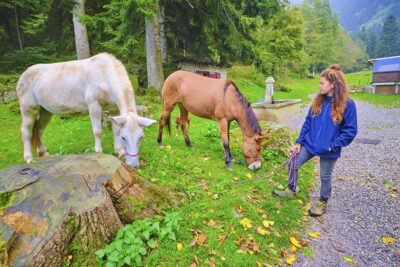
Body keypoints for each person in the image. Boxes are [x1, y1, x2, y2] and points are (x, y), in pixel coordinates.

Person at [273, 64, 358, 217]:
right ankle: (291, 189)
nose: (319, 86)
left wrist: (333, 145)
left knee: (325, 176)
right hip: (310, 144)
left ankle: (322, 202)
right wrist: (299, 142)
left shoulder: (348, 105)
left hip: (329, 149)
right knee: (293, 162)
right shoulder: (318, 101)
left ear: (332, 85)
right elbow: (307, 122)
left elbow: (350, 130)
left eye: (322, 83)